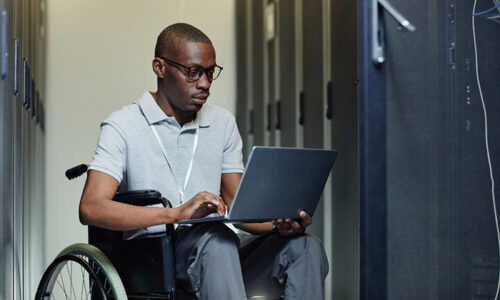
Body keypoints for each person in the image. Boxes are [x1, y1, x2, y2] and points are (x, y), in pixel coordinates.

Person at [79, 23, 328, 300]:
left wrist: (277, 225)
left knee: (305, 247)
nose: (205, 83)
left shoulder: (222, 123)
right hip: (153, 257)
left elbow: (236, 206)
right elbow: (91, 207)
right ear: (160, 68)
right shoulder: (123, 125)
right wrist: (176, 214)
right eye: (193, 72)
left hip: (220, 251)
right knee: (217, 239)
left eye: (210, 73)